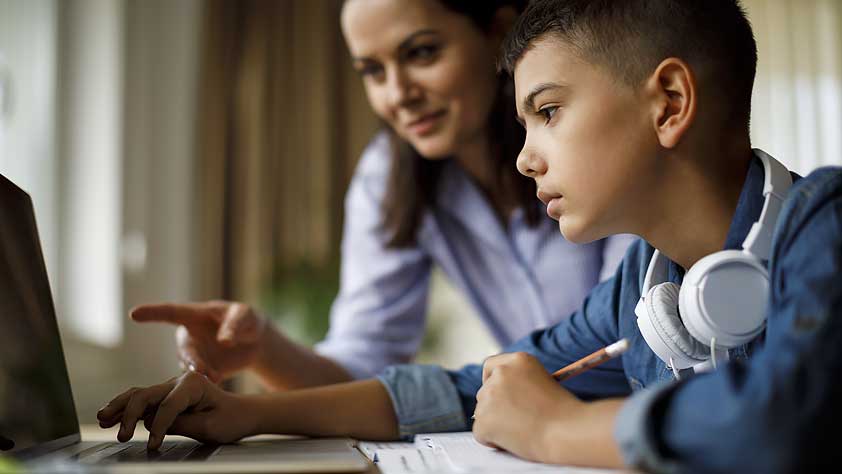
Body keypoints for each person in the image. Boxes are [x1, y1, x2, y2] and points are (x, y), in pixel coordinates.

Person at [99, 0, 842, 471]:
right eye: (523, 122)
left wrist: (554, 434)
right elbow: (472, 389)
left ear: (670, 101)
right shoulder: (643, 290)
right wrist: (249, 414)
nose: (526, 155)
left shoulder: (825, 221)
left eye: (547, 112)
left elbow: (780, 419)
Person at [129, 0, 634, 390]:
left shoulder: (591, 140)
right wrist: (259, 346)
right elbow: (363, 360)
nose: (398, 94)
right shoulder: (389, 175)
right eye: (372, 71)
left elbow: (626, 340)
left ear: (499, 33)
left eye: (421, 53)